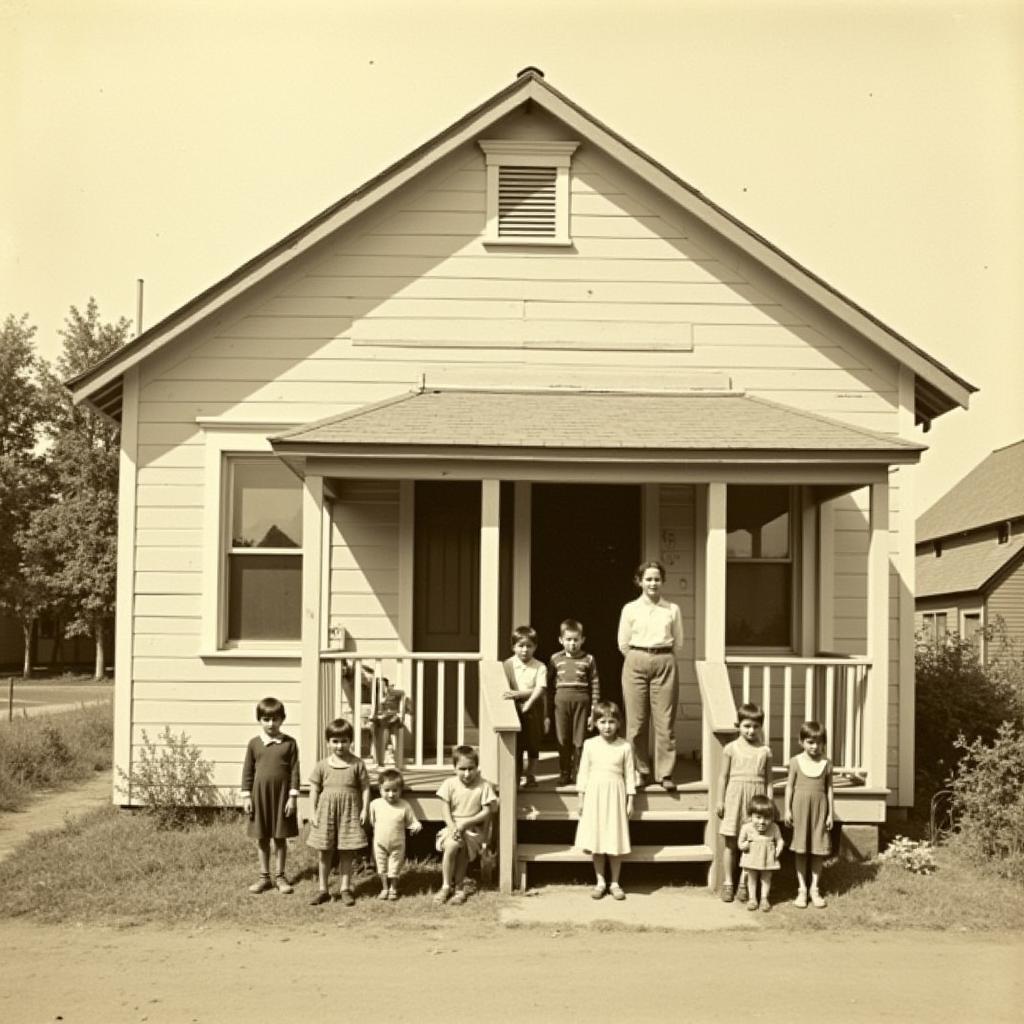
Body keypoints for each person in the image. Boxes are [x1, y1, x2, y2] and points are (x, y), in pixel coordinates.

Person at [617, 560, 684, 791]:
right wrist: (641, 656)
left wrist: (659, 656)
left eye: (657, 579)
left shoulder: (672, 609)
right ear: (639, 582)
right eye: (648, 579)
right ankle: (639, 771)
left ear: (662, 581)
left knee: (665, 722)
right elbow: (623, 643)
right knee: (636, 722)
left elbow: (679, 642)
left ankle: (665, 773)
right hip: (636, 659)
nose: (653, 583)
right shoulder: (630, 609)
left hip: (665, 661)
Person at [574, 701, 636, 901]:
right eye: (602, 721)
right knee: (598, 839)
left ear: (618, 723)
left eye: (611, 722)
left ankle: (615, 882)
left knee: (614, 838)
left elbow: (629, 775)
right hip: (595, 794)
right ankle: (600, 881)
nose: (607, 726)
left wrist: (630, 801)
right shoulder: (590, 745)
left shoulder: (624, 746)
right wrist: (581, 798)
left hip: (616, 794)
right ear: (595, 723)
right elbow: (583, 772)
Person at [306, 718, 370, 907]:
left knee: (346, 851)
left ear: (351, 741)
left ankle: (345, 888)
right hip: (326, 811)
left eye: (344, 741)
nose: (340, 745)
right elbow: (314, 789)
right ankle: (323, 889)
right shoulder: (322, 765)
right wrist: (313, 811)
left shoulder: (357, 764)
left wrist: (365, 808)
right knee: (324, 851)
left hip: (349, 812)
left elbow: (365, 787)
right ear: (328, 743)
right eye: (335, 741)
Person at [241, 696, 300, 895]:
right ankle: (264, 877)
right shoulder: (254, 744)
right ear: (259, 720)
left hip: (282, 798)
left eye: (275, 719)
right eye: (266, 719)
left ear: (282, 719)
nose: (271, 724)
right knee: (262, 837)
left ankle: (281, 876)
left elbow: (294, 771)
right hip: (260, 797)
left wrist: (292, 797)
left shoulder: (289, 743)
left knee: (280, 837)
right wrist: (247, 796)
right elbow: (248, 771)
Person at [716, 702, 772, 903]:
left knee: (753, 842)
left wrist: (770, 803)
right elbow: (723, 776)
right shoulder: (731, 748)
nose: (751, 730)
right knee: (731, 842)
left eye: (756, 726)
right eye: (746, 726)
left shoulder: (764, 751)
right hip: (735, 797)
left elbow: (768, 781)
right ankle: (728, 883)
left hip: (755, 800)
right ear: (738, 725)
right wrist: (720, 800)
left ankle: (743, 883)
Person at [434, 745, 498, 905]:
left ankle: (460, 887)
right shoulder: (449, 784)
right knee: (451, 846)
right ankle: (446, 886)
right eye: (462, 769)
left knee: (461, 848)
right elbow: (445, 808)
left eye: (471, 768)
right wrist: (453, 826)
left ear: (477, 768)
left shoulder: (483, 786)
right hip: (452, 827)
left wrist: (466, 823)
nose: (467, 774)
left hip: (473, 830)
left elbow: (486, 812)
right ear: (454, 768)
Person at [785, 720, 835, 909]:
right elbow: (790, 786)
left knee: (817, 850)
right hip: (800, 808)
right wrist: (788, 809)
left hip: (819, 809)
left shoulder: (826, 763)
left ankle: (815, 888)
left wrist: (830, 813)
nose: (814, 747)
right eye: (810, 742)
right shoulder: (796, 761)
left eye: (819, 742)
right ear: (801, 742)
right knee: (801, 849)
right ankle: (802, 889)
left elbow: (829, 789)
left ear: (824, 743)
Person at [547, 618, 601, 786]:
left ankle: (578, 773)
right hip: (561, 702)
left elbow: (595, 683)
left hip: (582, 702)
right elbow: (549, 685)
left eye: (576, 640)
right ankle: (564, 772)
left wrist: (594, 709)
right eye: (568, 640)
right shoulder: (555, 659)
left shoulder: (589, 659)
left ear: (582, 640)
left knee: (579, 739)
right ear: (561, 640)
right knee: (562, 738)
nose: (572, 644)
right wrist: (548, 709)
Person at [502, 625, 549, 788]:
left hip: (533, 710)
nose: (524, 650)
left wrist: (524, 698)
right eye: (520, 646)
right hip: (513, 711)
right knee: (517, 744)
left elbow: (540, 689)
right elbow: (504, 690)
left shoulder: (540, 666)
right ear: (513, 647)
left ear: (535, 647)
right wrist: (515, 696)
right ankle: (515, 777)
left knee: (533, 744)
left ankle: (530, 775)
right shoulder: (507, 665)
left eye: (529, 646)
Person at [368, 768, 422, 901]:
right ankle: (384, 888)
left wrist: (416, 826)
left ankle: (393, 888)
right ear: (380, 789)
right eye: (387, 790)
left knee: (395, 866)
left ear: (400, 790)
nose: (391, 794)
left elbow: (412, 821)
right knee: (381, 866)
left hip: (397, 843)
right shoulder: (375, 804)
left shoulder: (404, 805)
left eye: (395, 790)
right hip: (380, 842)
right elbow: (372, 821)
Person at [737, 793, 785, 912]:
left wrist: (779, 847)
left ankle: (764, 898)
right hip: (751, 858)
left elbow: (780, 840)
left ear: (771, 818)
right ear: (751, 816)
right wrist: (745, 845)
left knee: (766, 878)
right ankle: (752, 899)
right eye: (758, 817)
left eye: (766, 818)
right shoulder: (747, 828)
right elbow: (740, 843)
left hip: (767, 859)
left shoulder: (774, 827)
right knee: (752, 878)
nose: (762, 822)